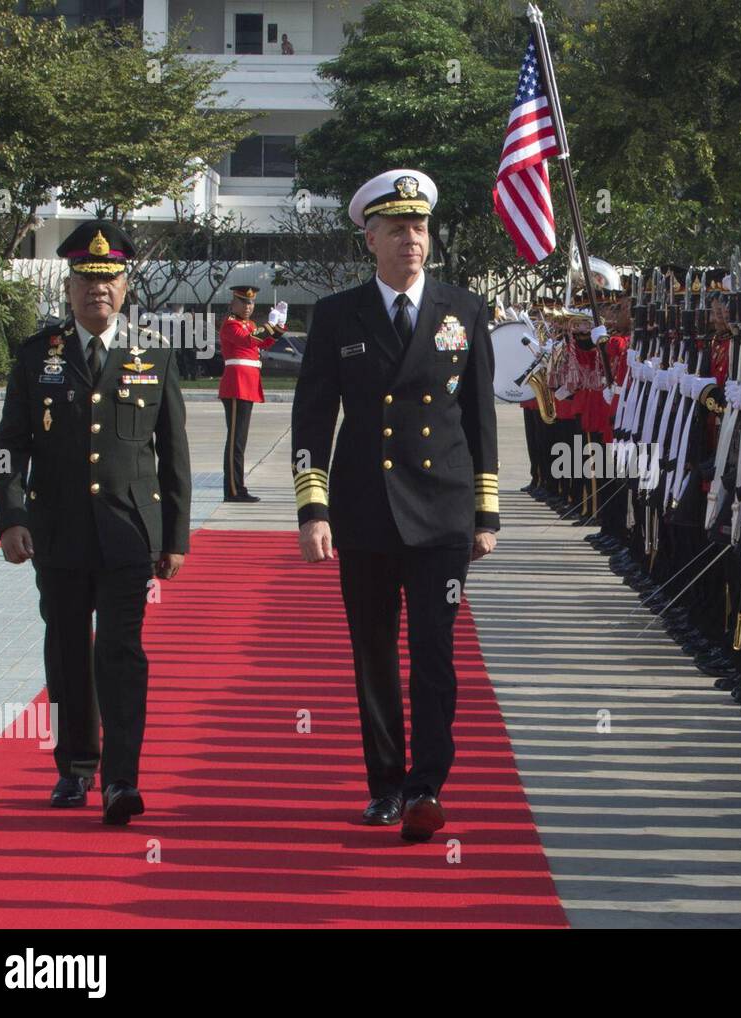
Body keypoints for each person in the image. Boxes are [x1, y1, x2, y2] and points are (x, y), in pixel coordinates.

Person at [290, 169, 499, 841]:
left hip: (442, 508)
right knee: (373, 651)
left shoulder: (463, 310)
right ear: (370, 240)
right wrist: (312, 507)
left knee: (435, 652)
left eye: (420, 228)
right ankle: (384, 783)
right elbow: (313, 416)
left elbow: (479, 417)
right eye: (398, 229)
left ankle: (426, 786)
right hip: (366, 509)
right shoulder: (336, 316)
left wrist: (486, 511)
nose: (412, 240)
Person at [0, 220, 192, 825]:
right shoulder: (38, 356)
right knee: (67, 652)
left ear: (126, 287)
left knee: (122, 652)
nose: (95, 291)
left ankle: (121, 780)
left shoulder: (152, 355)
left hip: (130, 532)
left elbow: (174, 452)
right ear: (69, 287)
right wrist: (10, 518)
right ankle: (75, 768)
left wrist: (175, 539)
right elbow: (10, 446)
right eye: (85, 280)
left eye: (107, 281)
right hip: (57, 533)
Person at [217, 284, 285, 503]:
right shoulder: (230, 325)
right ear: (233, 303)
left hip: (247, 384)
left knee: (240, 440)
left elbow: (263, 343)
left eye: (251, 302)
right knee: (235, 441)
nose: (248, 306)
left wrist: (279, 327)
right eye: (244, 302)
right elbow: (248, 341)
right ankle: (233, 490)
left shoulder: (250, 325)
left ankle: (238, 487)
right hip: (236, 385)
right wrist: (270, 325)